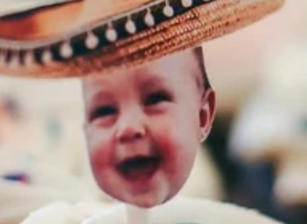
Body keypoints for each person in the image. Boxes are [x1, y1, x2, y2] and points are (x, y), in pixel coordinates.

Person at [82, 48, 215, 208]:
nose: (129, 127)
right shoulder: (73, 220)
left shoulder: (212, 217)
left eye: (155, 99)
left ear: (202, 115)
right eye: (104, 111)